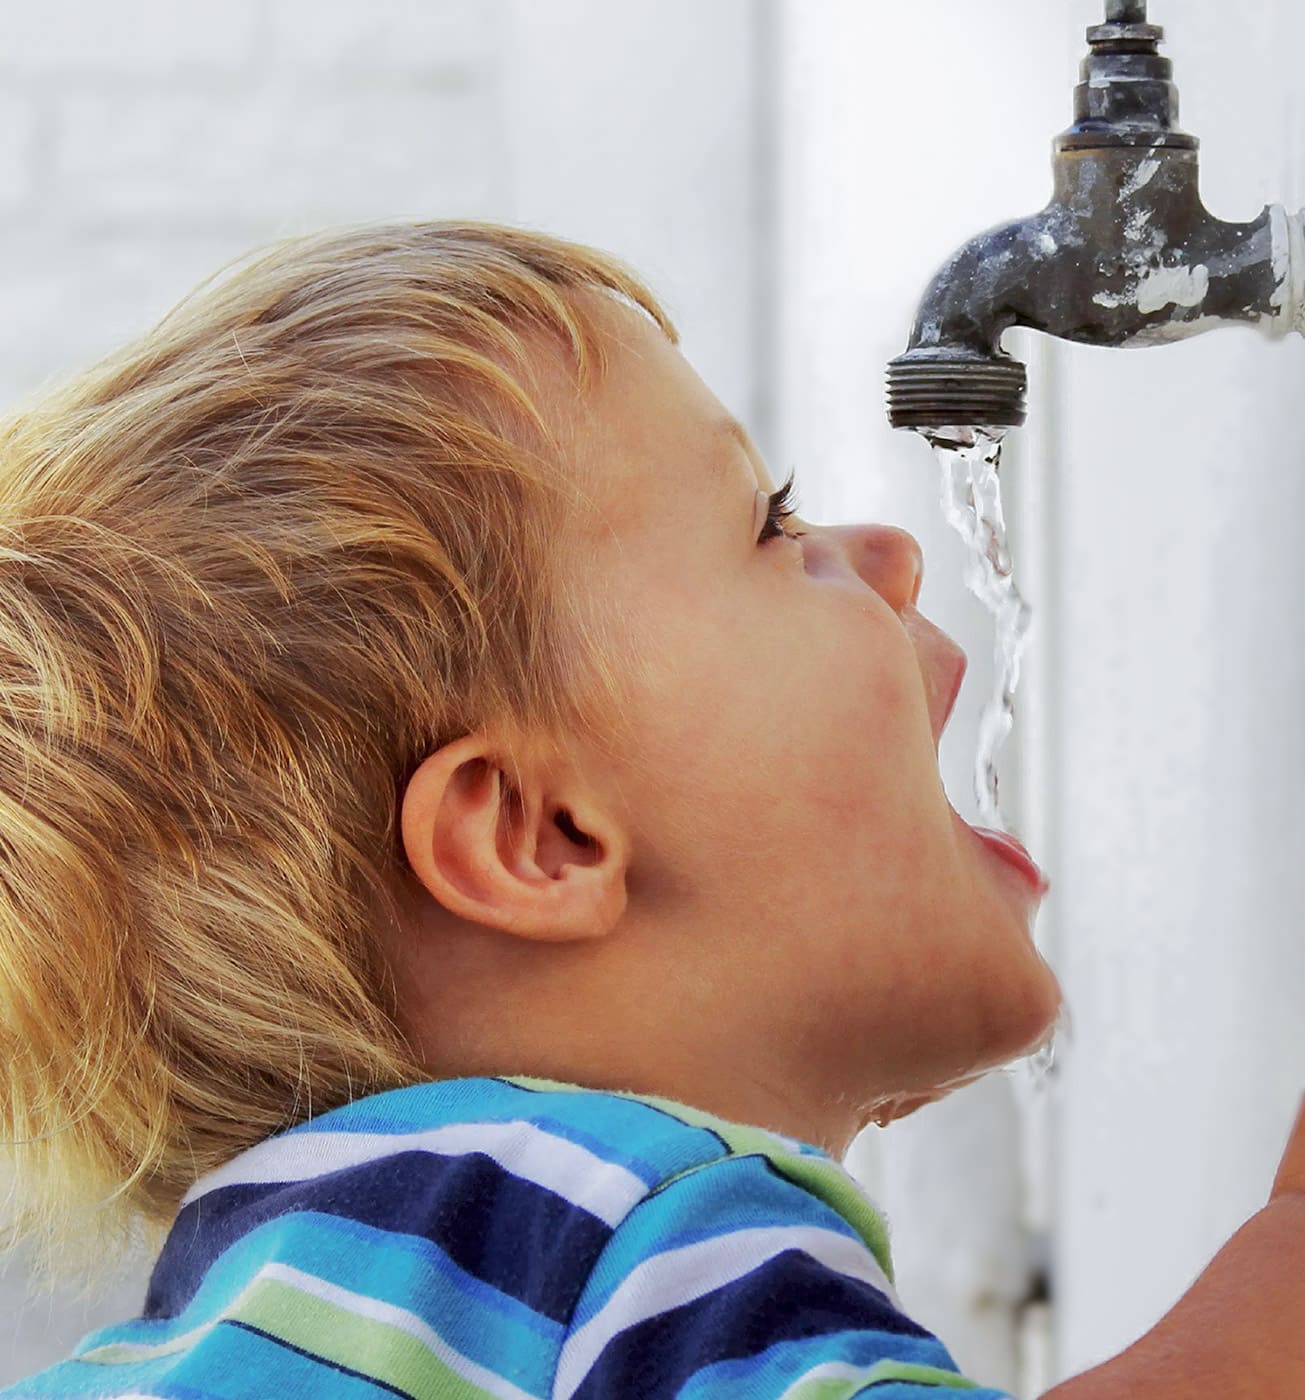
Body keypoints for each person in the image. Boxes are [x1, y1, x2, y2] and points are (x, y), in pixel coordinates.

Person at [0, 219, 1300, 1398]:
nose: (889, 554)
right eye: (769, 526)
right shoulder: (580, 1223)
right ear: (540, 836)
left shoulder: (294, 1313)